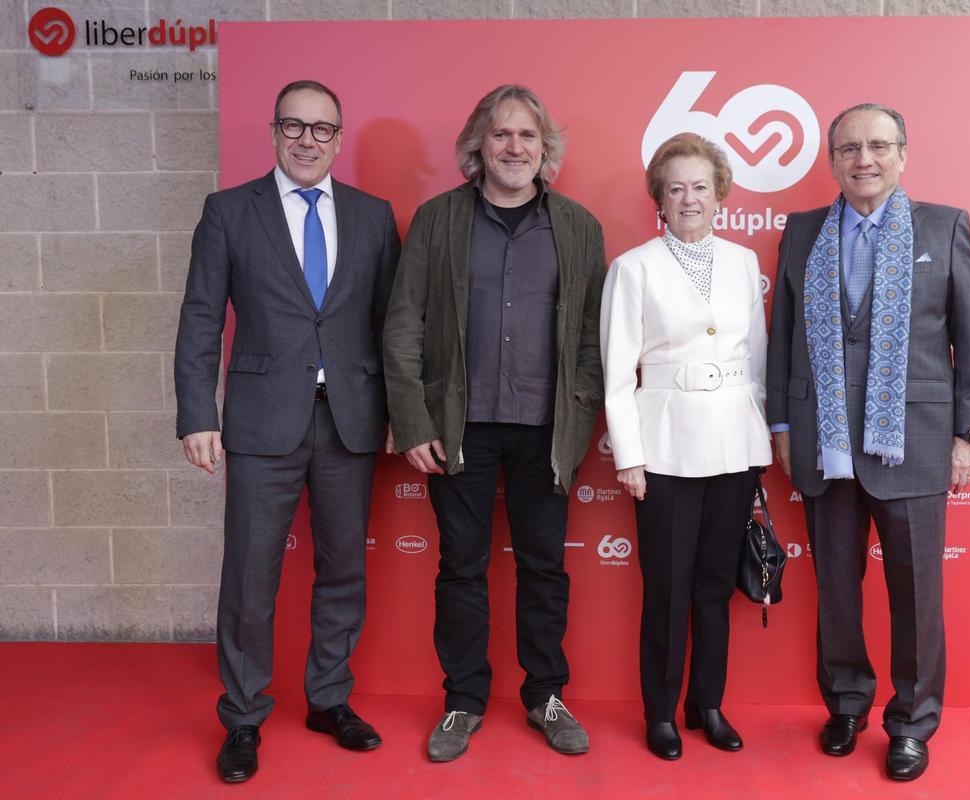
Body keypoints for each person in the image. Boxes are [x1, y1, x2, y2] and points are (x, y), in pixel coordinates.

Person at [175, 79, 401, 783]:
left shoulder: (373, 215)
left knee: (343, 570)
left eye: (323, 128)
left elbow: (394, 326)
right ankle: (243, 715)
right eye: (295, 126)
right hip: (260, 420)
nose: (308, 139)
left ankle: (328, 698)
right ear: (275, 131)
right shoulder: (228, 212)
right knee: (249, 576)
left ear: (339, 137)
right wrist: (196, 415)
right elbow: (201, 320)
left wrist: (400, 415)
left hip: (351, 421)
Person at [381, 85, 606, 763]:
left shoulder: (578, 226)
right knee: (461, 569)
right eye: (502, 135)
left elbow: (595, 336)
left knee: (544, 568)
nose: (515, 148)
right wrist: (412, 418)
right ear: (479, 145)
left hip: (546, 429)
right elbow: (402, 325)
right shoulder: (438, 220)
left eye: (528, 137)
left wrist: (581, 410)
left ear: (546, 150)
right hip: (459, 426)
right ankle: (464, 700)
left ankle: (545, 695)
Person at [767, 103, 970, 781]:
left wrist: (969, 433)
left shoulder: (944, 226)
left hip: (915, 442)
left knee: (917, 595)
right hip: (824, 442)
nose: (864, 158)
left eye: (878, 146)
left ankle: (912, 723)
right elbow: (782, 336)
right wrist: (781, 423)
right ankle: (845, 703)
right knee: (835, 588)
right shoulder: (803, 231)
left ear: (903, 154)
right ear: (831, 160)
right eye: (849, 148)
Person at [600, 133, 772, 760]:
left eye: (701, 186)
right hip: (665, 448)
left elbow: (755, 359)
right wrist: (629, 458)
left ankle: (708, 705)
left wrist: (759, 439)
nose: (689, 198)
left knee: (713, 586)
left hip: (733, 444)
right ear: (659, 198)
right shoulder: (633, 267)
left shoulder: (743, 262)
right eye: (676, 187)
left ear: (719, 194)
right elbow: (618, 373)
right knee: (667, 589)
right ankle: (662, 713)